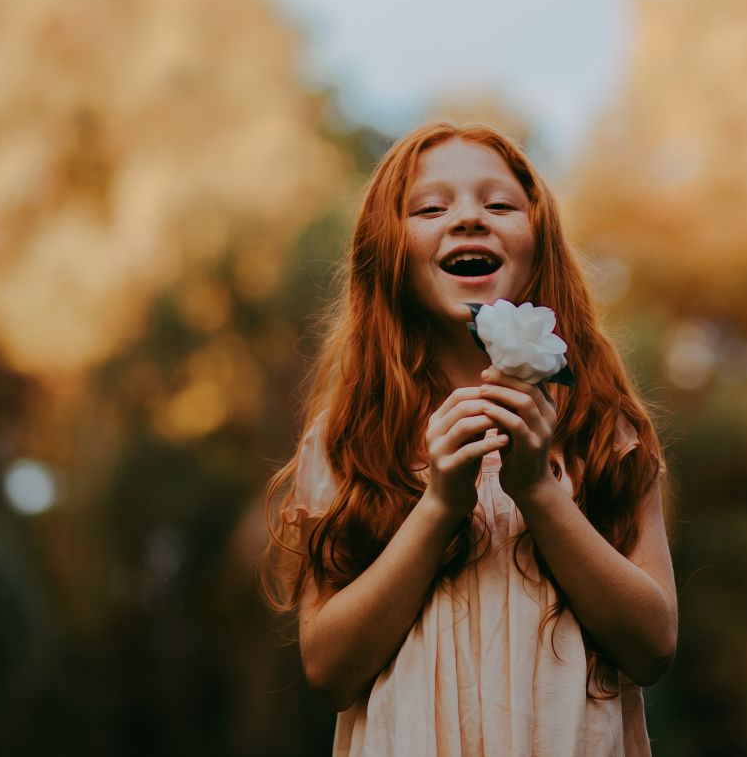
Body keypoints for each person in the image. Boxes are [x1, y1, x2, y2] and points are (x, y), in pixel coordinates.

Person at [261, 120, 675, 756]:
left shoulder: (600, 426)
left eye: (500, 203)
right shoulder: (349, 441)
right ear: (389, 253)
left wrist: (538, 490)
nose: (468, 219)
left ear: (540, 243)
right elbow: (327, 669)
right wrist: (438, 507)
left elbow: (653, 646)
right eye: (430, 207)